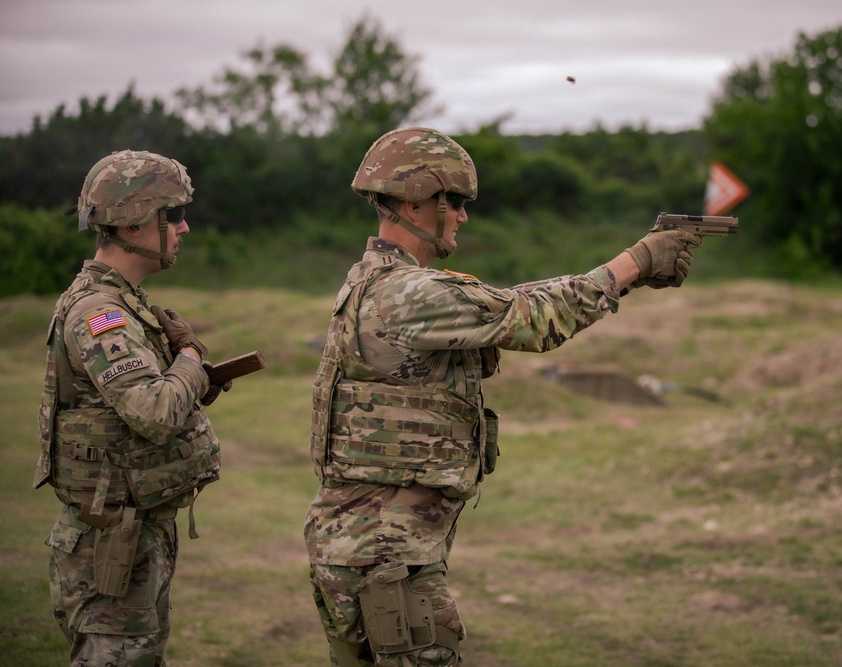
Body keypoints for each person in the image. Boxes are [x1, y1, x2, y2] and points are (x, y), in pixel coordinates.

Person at [304, 127, 697, 666]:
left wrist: (622, 277)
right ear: (418, 201)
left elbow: (512, 301)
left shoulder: (381, 281)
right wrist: (635, 263)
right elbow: (533, 320)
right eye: (456, 202)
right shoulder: (408, 293)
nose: (463, 215)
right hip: (385, 550)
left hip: (371, 543)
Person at [34, 149, 228, 666]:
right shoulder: (101, 313)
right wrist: (189, 357)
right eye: (174, 215)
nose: (184, 228)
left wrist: (192, 377)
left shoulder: (124, 303)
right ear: (136, 222)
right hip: (111, 538)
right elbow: (154, 411)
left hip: (132, 527)